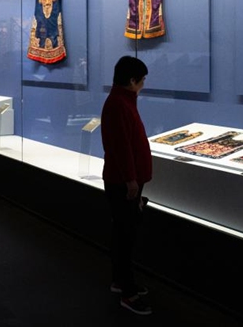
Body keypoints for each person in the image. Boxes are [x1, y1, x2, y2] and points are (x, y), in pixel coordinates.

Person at [100, 55, 152, 316]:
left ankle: (121, 281)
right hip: (122, 182)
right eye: (141, 80)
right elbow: (120, 147)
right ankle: (128, 293)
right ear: (132, 81)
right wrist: (131, 179)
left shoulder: (122, 101)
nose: (143, 84)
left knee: (124, 233)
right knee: (125, 237)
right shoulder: (119, 104)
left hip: (126, 179)